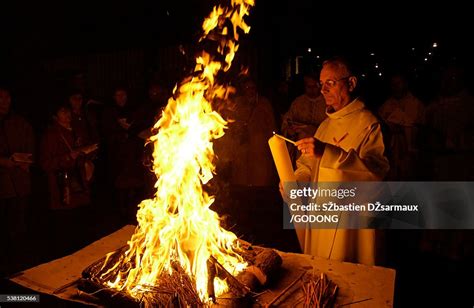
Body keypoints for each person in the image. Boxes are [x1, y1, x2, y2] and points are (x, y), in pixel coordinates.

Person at [290, 57, 390, 265]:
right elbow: (307, 165)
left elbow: (375, 173)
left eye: (330, 83)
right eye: (321, 84)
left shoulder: (369, 124)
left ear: (351, 83)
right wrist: (296, 182)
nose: (323, 90)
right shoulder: (325, 126)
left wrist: (328, 153)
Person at [0, 87, 35, 273]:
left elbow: (30, 148)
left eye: (7, 97)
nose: (4, 101)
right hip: (3, 184)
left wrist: (25, 160)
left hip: (20, 184)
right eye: (0, 98)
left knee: (18, 225)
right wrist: (5, 161)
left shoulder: (20, 122)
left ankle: (19, 266)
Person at [378, 73, 425, 179]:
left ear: (405, 84)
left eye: (398, 83)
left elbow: (422, 129)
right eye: (393, 84)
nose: (395, 87)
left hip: (411, 155)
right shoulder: (386, 106)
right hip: (391, 154)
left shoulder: (416, 105)